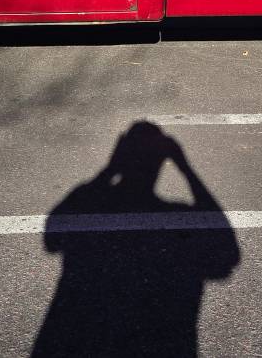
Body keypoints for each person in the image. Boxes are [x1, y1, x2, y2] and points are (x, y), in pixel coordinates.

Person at [31, 121, 240, 357]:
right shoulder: (178, 222)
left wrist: (110, 169)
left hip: (81, 345)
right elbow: (227, 250)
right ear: (163, 162)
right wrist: (186, 168)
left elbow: (53, 236)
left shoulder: (90, 215)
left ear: (121, 154)